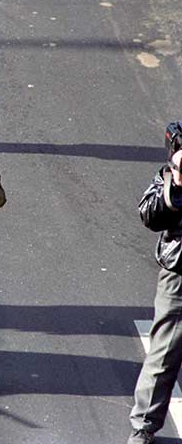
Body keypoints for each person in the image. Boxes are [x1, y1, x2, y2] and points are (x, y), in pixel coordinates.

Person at [126, 139, 182, 444]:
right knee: (163, 354)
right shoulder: (172, 172)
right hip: (180, 275)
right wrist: (176, 181)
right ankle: (144, 427)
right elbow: (150, 215)